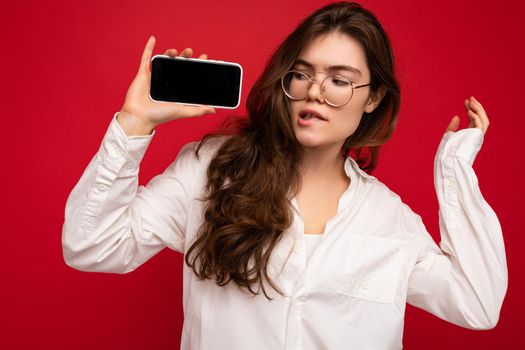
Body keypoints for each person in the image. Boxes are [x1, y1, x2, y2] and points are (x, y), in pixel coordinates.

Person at [62, 1, 508, 349]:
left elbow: (478, 303)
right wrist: (133, 123)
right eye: (302, 73)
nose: (314, 90)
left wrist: (454, 171)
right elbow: (91, 245)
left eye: (339, 80)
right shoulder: (211, 171)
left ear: (372, 98)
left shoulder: (388, 220)